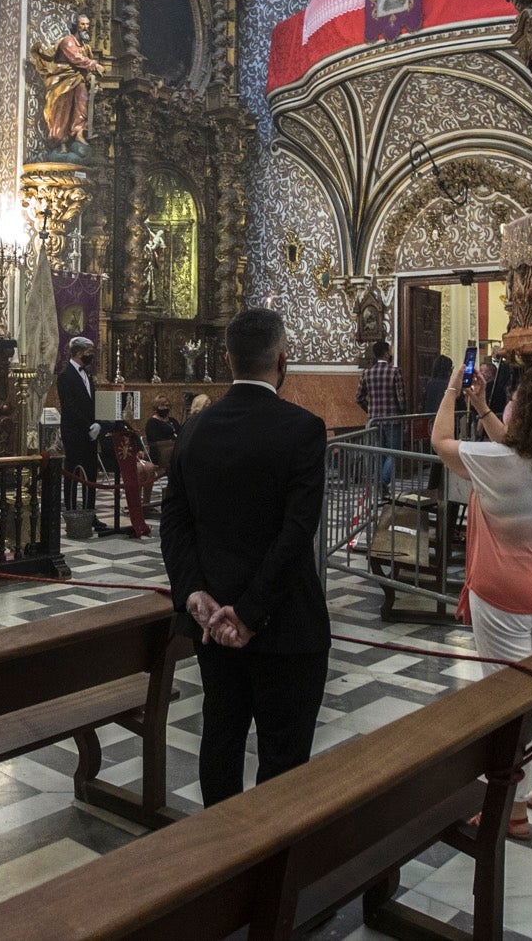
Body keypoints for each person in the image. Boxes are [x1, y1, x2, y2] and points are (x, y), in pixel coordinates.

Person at [160, 308, 329, 806]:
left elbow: (175, 523)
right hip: (286, 627)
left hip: (214, 626)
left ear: (226, 358)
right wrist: (251, 614)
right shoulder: (303, 429)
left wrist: (195, 596)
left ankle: (220, 862)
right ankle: (271, 872)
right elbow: (297, 532)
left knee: (221, 742)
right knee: (283, 761)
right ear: (282, 360)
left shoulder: (193, 430)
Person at [431, 369, 532, 839]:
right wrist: (483, 409)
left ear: (527, 415)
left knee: (507, 699)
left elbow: (440, 441)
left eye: (514, 400)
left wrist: (454, 389)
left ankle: (512, 808)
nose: (510, 405)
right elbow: (512, 449)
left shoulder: (499, 463)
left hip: (504, 597)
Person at [30, 13, 104, 154]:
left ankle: (79, 133)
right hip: (63, 81)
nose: (85, 27)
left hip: (79, 79)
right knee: (62, 111)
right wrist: (95, 65)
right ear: (76, 25)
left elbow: (85, 65)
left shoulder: (86, 47)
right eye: (82, 24)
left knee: (82, 105)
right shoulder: (68, 42)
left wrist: (93, 81)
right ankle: (60, 141)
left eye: (87, 25)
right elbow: (76, 58)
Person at [56, 336, 105, 525]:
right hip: (75, 432)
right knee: (73, 472)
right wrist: (87, 426)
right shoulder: (65, 376)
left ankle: (90, 514)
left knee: (90, 473)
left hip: (91, 432)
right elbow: (70, 406)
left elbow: (91, 403)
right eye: (88, 353)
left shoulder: (87, 375)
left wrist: (98, 423)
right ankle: (71, 513)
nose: (91, 357)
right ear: (77, 353)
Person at [355, 339, 405, 493]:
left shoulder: (367, 373)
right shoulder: (394, 372)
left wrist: (370, 410)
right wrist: (403, 415)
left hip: (374, 419)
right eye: (389, 351)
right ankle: (383, 481)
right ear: (385, 353)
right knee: (394, 452)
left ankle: (379, 485)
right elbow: (401, 398)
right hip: (392, 418)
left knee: (379, 452)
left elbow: (358, 397)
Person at [144, 394, 182, 465]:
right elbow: (156, 440)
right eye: (162, 406)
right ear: (156, 408)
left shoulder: (173, 420)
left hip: (176, 449)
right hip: (160, 452)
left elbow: (181, 433)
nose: (165, 408)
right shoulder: (152, 422)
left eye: (167, 406)